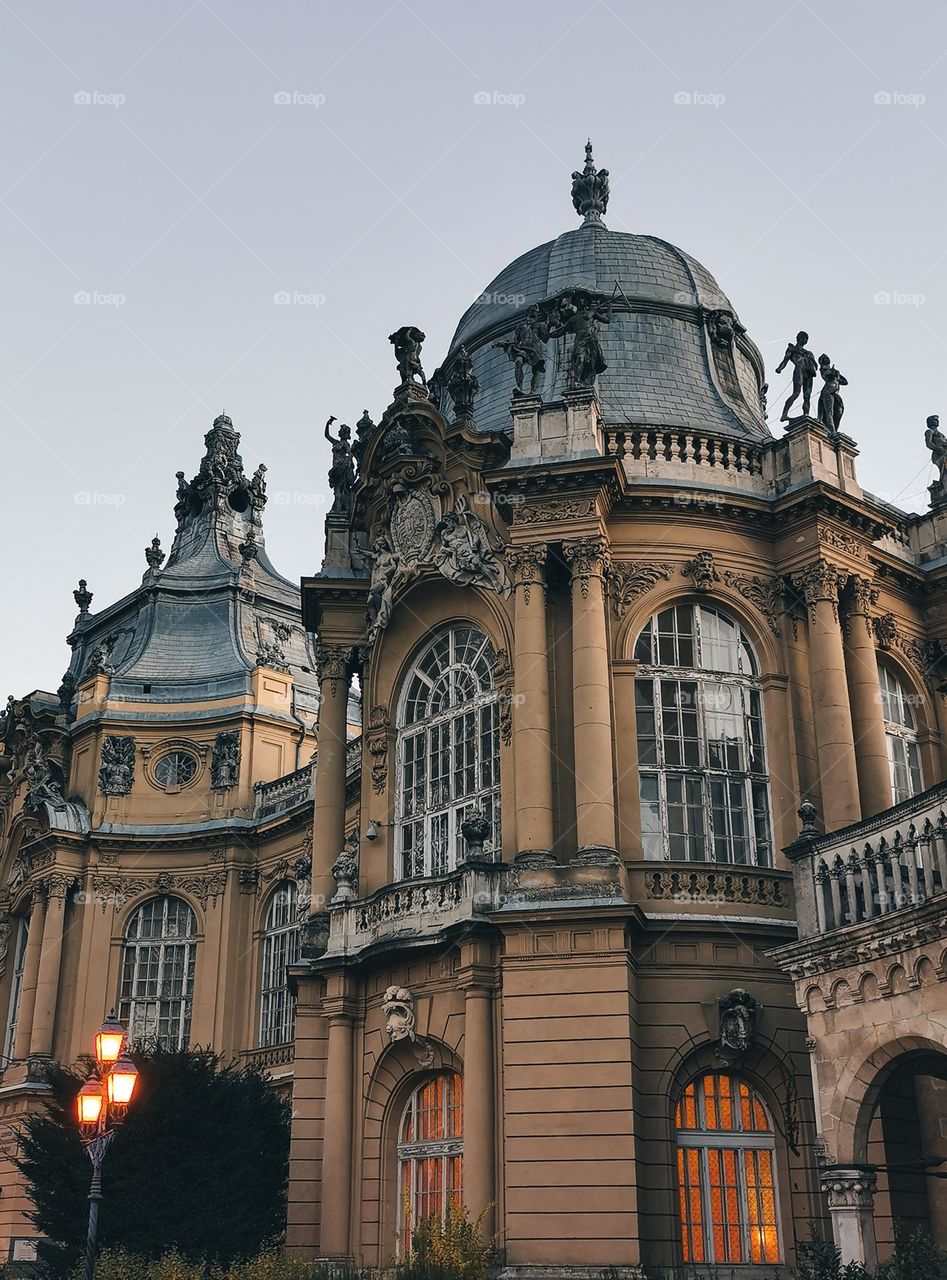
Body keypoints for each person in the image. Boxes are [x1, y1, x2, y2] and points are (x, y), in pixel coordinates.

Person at [775, 331, 819, 421]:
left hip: (809, 373)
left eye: (806, 339)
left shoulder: (808, 352)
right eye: (804, 338)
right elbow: (785, 360)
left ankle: (806, 414)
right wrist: (779, 368)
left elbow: (816, 366)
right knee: (796, 393)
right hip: (799, 370)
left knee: (807, 396)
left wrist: (812, 359)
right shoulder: (792, 349)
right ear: (798, 338)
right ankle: (784, 414)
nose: (805, 340)